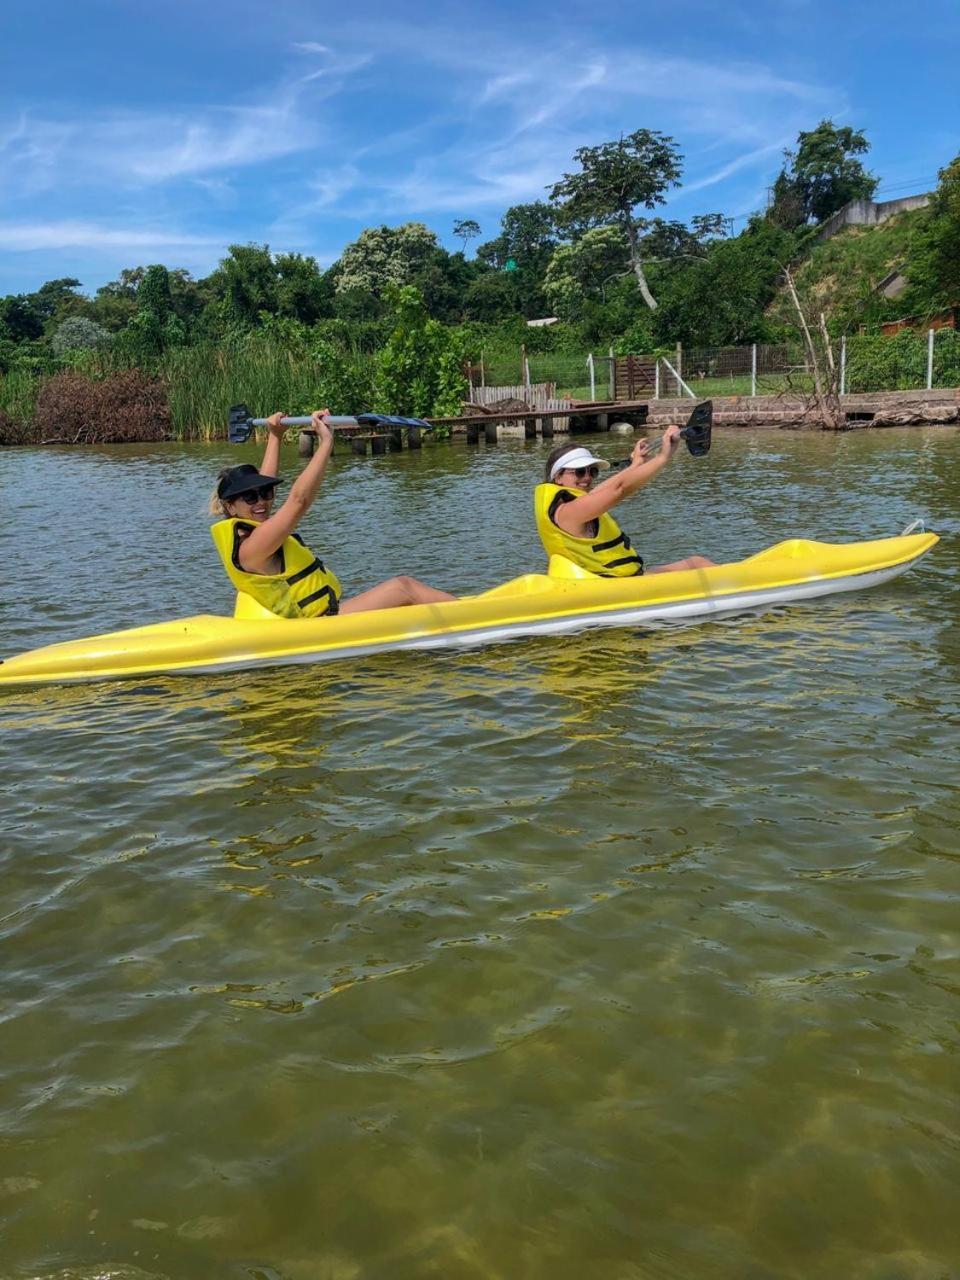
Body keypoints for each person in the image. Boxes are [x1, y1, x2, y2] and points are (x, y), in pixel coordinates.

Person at [210, 409, 455, 617]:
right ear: (230, 506)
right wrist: (326, 442)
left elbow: (266, 481)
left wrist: (275, 436)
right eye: (250, 497)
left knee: (403, 592)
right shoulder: (252, 548)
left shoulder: (251, 530)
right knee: (404, 587)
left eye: (266, 493)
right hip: (320, 621)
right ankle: (474, 615)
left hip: (321, 614)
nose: (261, 501)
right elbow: (299, 501)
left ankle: (462, 610)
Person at [534, 430, 715, 577]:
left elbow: (609, 487)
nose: (587, 478)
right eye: (580, 472)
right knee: (699, 565)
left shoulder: (575, 503)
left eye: (593, 472)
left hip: (619, 580)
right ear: (558, 477)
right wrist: (663, 457)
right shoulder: (568, 512)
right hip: (610, 587)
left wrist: (635, 465)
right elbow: (618, 489)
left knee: (698, 562)